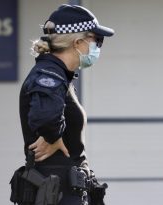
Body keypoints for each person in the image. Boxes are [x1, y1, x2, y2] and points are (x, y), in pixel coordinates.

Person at [17, 4, 114, 205]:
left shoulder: (61, 75)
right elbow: (45, 118)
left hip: (67, 190)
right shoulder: (49, 74)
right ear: (78, 42)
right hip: (57, 192)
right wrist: (53, 136)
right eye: (97, 40)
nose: (98, 46)